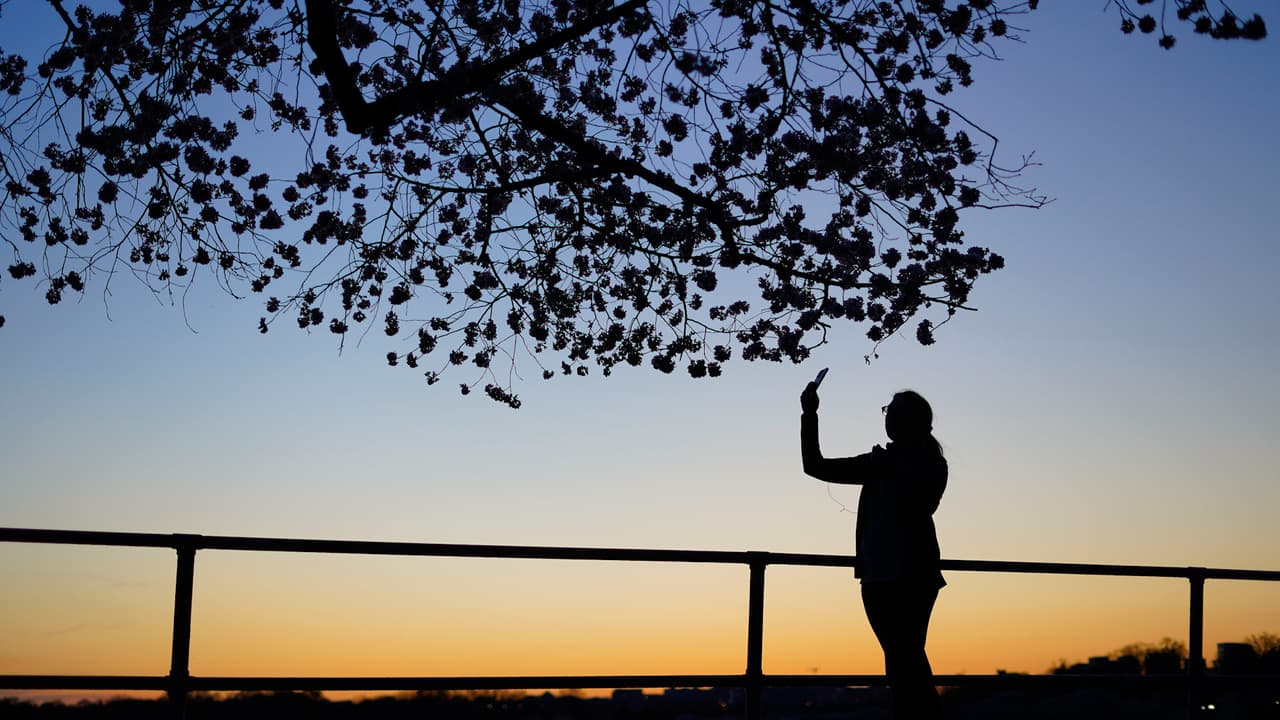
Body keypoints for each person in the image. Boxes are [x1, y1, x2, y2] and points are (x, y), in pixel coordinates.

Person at [800, 383, 947, 720]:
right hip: (898, 575)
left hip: (896, 575)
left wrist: (887, 468)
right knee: (905, 659)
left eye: (890, 411)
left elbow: (917, 506)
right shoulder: (893, 462)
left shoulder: (916, 464)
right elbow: (816, 466)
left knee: (903, 661)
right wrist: (810, 414)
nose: (886, 417)